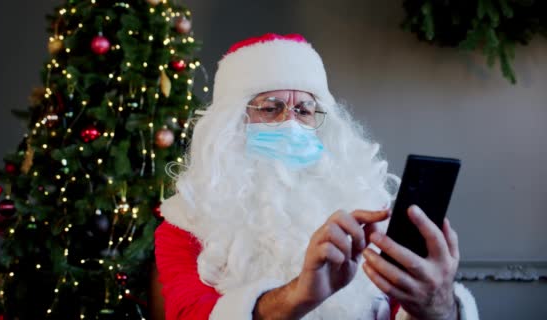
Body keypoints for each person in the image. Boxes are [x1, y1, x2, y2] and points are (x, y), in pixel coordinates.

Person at [153, 33, 479, 320]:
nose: (291, 122)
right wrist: (299, 295)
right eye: (270, 108)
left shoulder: (367, 208)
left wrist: (439, 307)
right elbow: (189, 314)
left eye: (305, 110)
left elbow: (399, 311)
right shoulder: (185, 224)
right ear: (231, 125)